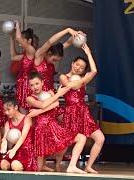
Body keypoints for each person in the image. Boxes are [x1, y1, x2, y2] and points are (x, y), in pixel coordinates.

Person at [26, 71, 87, 173]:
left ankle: (71, 166)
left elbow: (56, 105)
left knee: (81, 137)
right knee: (38, 168)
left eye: (37, 83)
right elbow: (43, 105)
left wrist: (38, 112)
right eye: (32, 85)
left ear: (42, 82)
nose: (35, 87)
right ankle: (43, 165)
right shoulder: (29, 98)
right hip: (41, 131)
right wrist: (58, 95)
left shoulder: (50, 93)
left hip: (53, 127)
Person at [60, 43, 105, 174]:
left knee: (100, 138)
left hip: (83, 113)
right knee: (70, 141)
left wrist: (89, 53)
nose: (78, 68)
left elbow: (94, 71)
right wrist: (84, 79)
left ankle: (88, 166)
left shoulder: (83, 79)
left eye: (82, 67)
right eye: (77, 64)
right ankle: (70, 165)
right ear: (72, 63)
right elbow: (71, 86)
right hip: (71, 113)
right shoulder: (64, 77)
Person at [0, 98, 37, 171]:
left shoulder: (27, 119)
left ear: (16, 107)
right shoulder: (8, 123)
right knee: (3, 164)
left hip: (26, 150)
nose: (6, 112)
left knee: (15, 165)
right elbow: (5, 136)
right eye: (5, 110)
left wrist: (14, 150)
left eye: (8, 109)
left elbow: (23, 136)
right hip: (14, 149)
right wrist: (3, 141)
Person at [10, 21, 38, 113]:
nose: (19, 41)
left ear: (29, 41)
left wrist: (17, 26)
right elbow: (13, 57)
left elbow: (18, 38)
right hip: (21, 84)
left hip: (28, 85)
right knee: (22, 112)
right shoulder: (25, 54)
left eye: (23, 39)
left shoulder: (31, 51)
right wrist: (11, 37)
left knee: (28, 112)